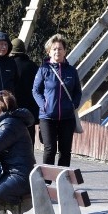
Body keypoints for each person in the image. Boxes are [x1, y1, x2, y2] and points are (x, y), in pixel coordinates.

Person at [32, 34, 82, 167]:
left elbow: (78, 91)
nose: (57, 51)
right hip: (47, 116)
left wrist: (73, 105)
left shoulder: (72, 71)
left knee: (65, 151)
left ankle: (62, 179)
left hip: (67, 117)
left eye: (60, 49)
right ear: (49, 51)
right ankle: (46, 181)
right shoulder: (43, 70)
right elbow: (35, 91)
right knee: (50, 149)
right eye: (54, 49)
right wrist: (44, 105)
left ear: (65, 51)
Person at [9, 38, 39, 144]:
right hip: (30, 109)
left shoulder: (8, 66)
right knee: (29, 140)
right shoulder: (33, 66)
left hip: (12, 108)